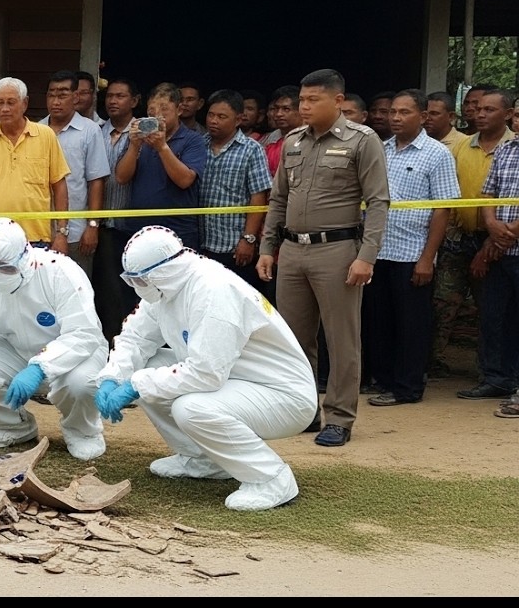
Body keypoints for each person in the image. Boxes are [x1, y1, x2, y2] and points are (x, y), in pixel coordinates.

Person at [96, 226, 316, 511]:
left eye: (140, 279)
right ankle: (203, 459)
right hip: (236, 382)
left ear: (160, 273)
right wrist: (113, 377)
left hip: (283, 396)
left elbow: (206, 373)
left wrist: (136, 385)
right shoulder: (167, 287)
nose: (137, 286)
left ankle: (271, 478)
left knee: (190, 407)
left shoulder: (213, 290)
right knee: (147, 367)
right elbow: (135, 338)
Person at [256, 68, 390, 448]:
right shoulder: (294, 141)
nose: (304, 107)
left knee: (341, 338)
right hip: (293, 251)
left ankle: (340, 417)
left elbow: (378, 202)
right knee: (294, 340)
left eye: (313, 100)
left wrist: (367, 256)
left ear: (338, 101)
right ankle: (304, 411)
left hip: (338, 250)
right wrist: (269, 248)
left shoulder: (363, 141)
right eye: (302, 100)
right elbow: (278, 200)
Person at [0, 217, 109, 460]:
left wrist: (40, 367)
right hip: (18, 349)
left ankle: (82, 430)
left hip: (76, 353)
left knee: (81, 383)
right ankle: (12, 426)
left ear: (26, 255)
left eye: (6, 268)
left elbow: (84, 333)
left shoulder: (60, 271)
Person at [360, 89, 458, 407]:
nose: (396, 118)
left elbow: (443, 209)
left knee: (412, 324)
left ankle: (408, 387)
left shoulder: (437, 153)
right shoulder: (381, 149)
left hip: (412, 252)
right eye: (392, 112)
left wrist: (427, 258)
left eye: (404, 112)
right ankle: (385, 381)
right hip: (378, 250)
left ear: (423, 116)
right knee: (380, 320)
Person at [440, 89, 515, 385]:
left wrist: (493, 239)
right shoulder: (465, 146)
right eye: (477, 109)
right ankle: (486, 376)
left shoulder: (509, 145)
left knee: (499, 314)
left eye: (488, 109)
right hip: (465, 238)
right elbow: (481, 193)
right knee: (454, 306)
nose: (480, 114)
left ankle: (500, 377)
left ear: (507, 114)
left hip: (501, 243)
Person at [0, 76, 71, 261]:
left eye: (11, 102)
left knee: (34, 290)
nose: (4, 109)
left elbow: (59, 186)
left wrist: (61, 233)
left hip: (36, 238)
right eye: (0, 103)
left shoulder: (45, 136)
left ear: (25, 103)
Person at [462, 88, 519, 404]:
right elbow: (488, 195)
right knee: (494, 317)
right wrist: (494, 228)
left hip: (509, 244)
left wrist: (507, 232)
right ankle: (497, 379)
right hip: (499, 248)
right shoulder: (507, 151)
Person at [196, 89, 272, 296]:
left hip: (234, 246)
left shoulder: (251, 149)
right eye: (211, 115)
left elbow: (259, 197)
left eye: (222, 117)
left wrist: (248, 239)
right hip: (201, 243)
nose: (213, 121)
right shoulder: (199, 144)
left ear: (238, 119)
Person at [39, 69, 111, 287]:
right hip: (39, 228)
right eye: (52, 94)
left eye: (62, 95)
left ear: (75, 97)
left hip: (77, 231)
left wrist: (92, 225)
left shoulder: (89, 131)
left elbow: (96, 181)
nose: (56, 101)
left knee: (76, 288)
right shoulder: (36, 130)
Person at [115, 82, 208, 250]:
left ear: (179, 110)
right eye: (151, 110)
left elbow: (185, 180)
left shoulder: (193, 140)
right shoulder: (138, 138)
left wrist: (162, 147)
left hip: (177, 231)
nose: (157, 115)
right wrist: (134, 146)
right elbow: (121, 177)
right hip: (138, 229)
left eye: (164, 109)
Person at [93, 77, 140, 339]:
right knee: (105, 289)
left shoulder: (143, 132)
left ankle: (130, 340)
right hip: (101, 224)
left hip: (130, 225)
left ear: (134, 101)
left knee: (131, 290)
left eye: (120, 96)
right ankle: (109, 340)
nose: (113, 101)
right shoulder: (96, 131)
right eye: (110, 96)